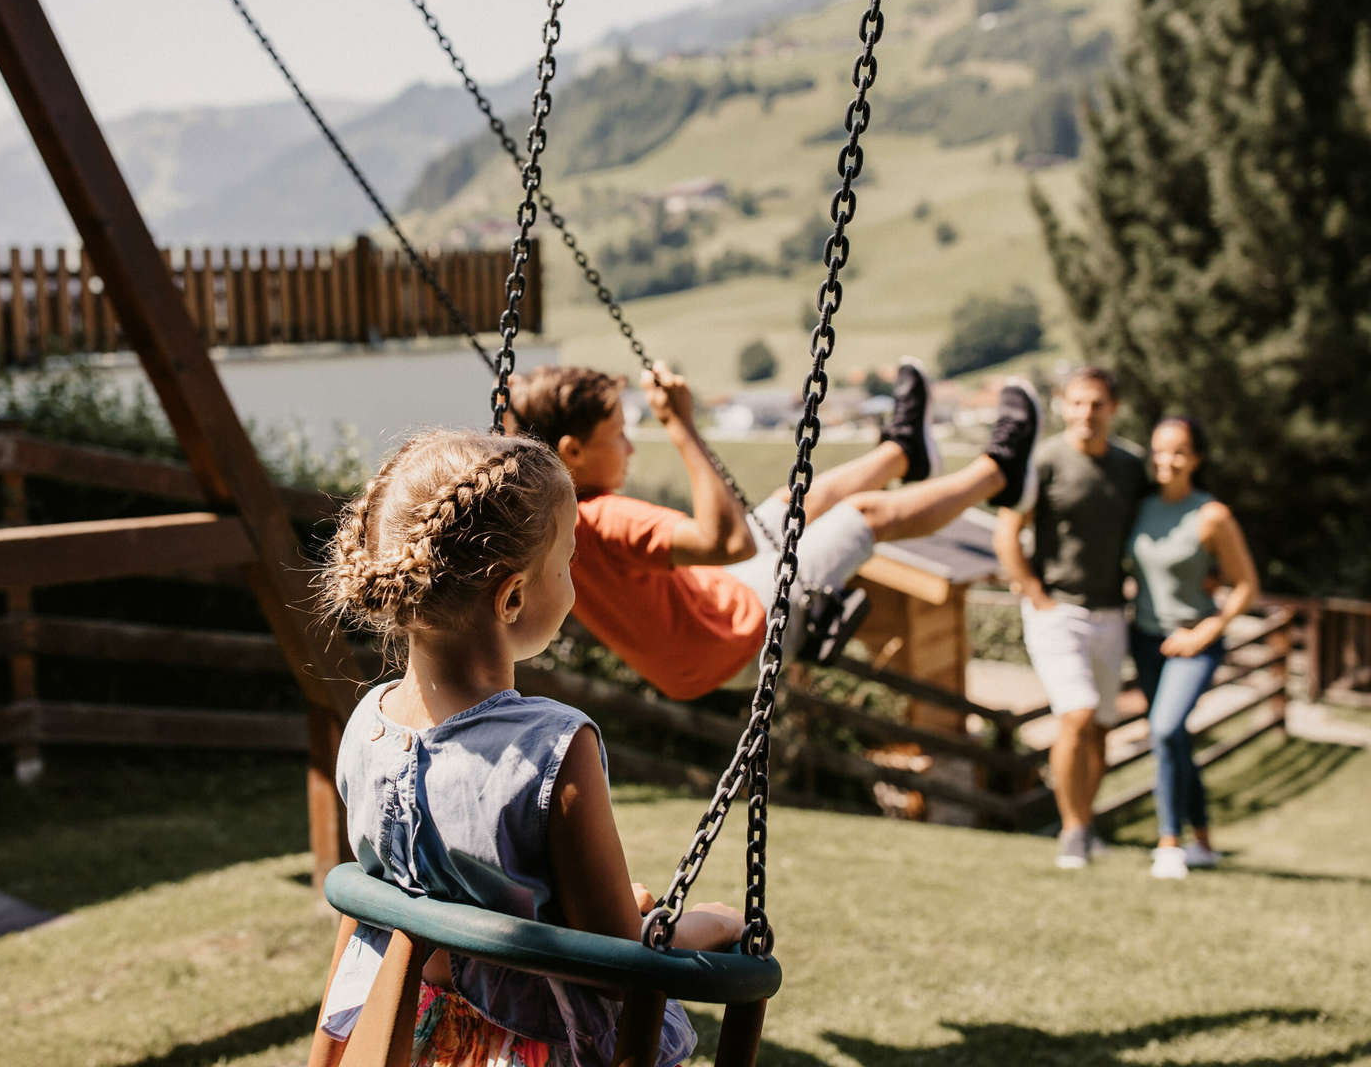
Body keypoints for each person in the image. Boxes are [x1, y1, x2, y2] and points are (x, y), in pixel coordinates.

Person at [315, 429, 744, 1067]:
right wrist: (715, 923)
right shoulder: (554, 746)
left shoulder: (366, 726)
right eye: (569, 560)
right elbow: (612, 960)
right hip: (525, 1050)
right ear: (513, 597)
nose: (574, 576)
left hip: (407, 1040)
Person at [506, 358, 1042, 701]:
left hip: (711, 617)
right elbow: (728, 541)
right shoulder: (601, 516)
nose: (629, 448)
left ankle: (903, 450)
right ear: (573, 451)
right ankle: (1001, 469)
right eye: (618, 436)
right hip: (737, 639)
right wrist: (682, 426)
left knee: (797, 502)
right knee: (864, 517)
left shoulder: (539, 512)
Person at [993, 366, 1147, 870]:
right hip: (1057, 610)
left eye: (1097, 404)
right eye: (1077, 403)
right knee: (1077, 715)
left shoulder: (1130, 466)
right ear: (1063, 406)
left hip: (1111, 613)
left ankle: (1086, 821)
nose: (1086, 413)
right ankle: (1073, 832)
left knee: (1101, 727)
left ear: (1113, 409)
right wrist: (1035, 593)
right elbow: (1007, 530)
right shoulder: (1046, 462)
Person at [1129, 416, 1258, 880]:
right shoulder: (1140, 507)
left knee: (1163, 731)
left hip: (1194, 641)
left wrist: (1206, 630)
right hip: (1145, 640)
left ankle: (1169, 843)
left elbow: (1246, 585)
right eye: (1160, 450)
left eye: (1179, 451)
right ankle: (1203, 842)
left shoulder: (1212, 515)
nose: (1168, 460)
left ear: (1196, 459)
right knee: (1176, 739)